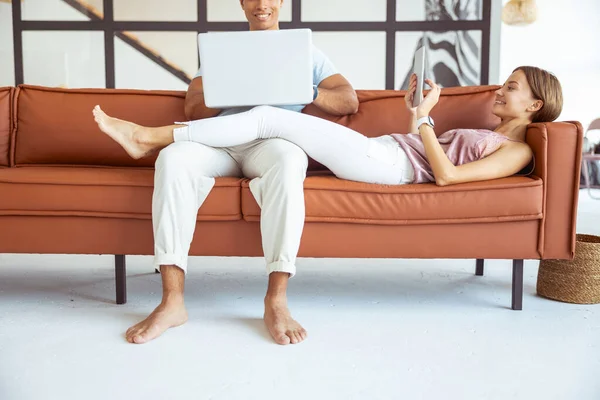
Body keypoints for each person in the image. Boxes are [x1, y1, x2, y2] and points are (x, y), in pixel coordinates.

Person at [117, 0, 359, 346]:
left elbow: (349, 100)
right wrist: (232, 85)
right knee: (172, 158)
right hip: (218, 143)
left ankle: (276, 300)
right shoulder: (222, 52)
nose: (262, 5)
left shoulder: (305, 52)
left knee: (291, 161)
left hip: (270, 144)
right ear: (242, 4)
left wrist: (304, 89)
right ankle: (172, 302)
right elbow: (193, 108)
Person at [93, 66, 563, 189]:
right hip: (381, 152)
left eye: (513, 88)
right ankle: (155, 141)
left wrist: (423, 119)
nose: (501, 91)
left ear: (535, 104)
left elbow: (446, 175)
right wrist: (412, 110)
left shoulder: (519, 152)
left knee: (269, 115)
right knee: (269, 131)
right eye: (504, 84)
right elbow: (428, 153)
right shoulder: (495, 134)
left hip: (388, 166)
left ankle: (148, 137)